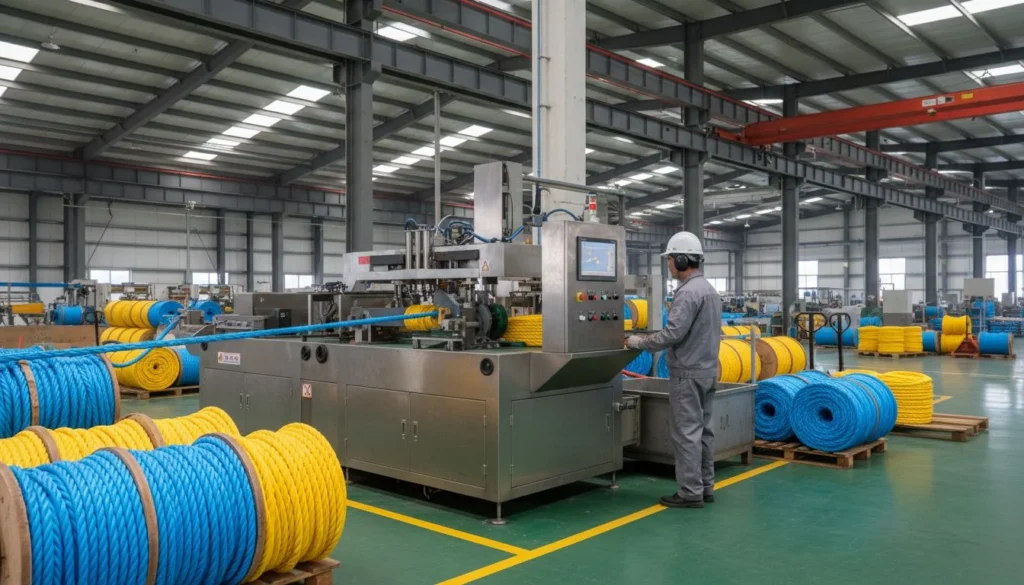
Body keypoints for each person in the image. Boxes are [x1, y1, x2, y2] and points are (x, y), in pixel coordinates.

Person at [627, 231, 722, 508]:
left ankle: (690, 492)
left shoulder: (689, 293)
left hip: (688, 375)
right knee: (704, 431)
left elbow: (673, 334)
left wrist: (638, 342)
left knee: (686, 434)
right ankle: (705, 487)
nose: (668, 265)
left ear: (681, 260)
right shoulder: (709, 291)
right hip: (707, 372)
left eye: (670, 260)